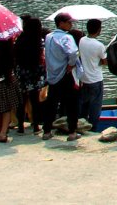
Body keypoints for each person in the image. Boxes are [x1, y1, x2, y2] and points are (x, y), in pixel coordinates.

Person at [42, 13, 80, 141]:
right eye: (69, 22)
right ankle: (72, 132)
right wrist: (71, 65)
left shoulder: (48, 37)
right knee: (71, 103)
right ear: (61, 23)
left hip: (52, 73)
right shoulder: (67, 37)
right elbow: (73, 52)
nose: (71, 24)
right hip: (65, 73)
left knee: (51, 102)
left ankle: (46, 131)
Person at [13, 16, 46, 135]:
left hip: (21, 72)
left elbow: (15, 56)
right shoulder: (38, 40)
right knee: (34, 100)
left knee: (21, 100)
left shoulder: (20, 39)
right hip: (34, 73)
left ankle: (20, 126)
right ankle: (36, 125)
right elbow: (41, 58)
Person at [77, 18, 107, 131]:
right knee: (95, 108)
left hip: (84, 79)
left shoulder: (81, 40)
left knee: (84, 106)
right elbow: (104, 62)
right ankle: (93, 129)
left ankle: (81, 126)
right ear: (99, 30)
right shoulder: (99, 45)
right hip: (96, 79)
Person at [0, 39, 23, 143]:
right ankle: (2, 132)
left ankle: (1, 132)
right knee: (6, 108)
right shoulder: (8, 46)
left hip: (0, 80)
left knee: (0, 109)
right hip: (8, 79)